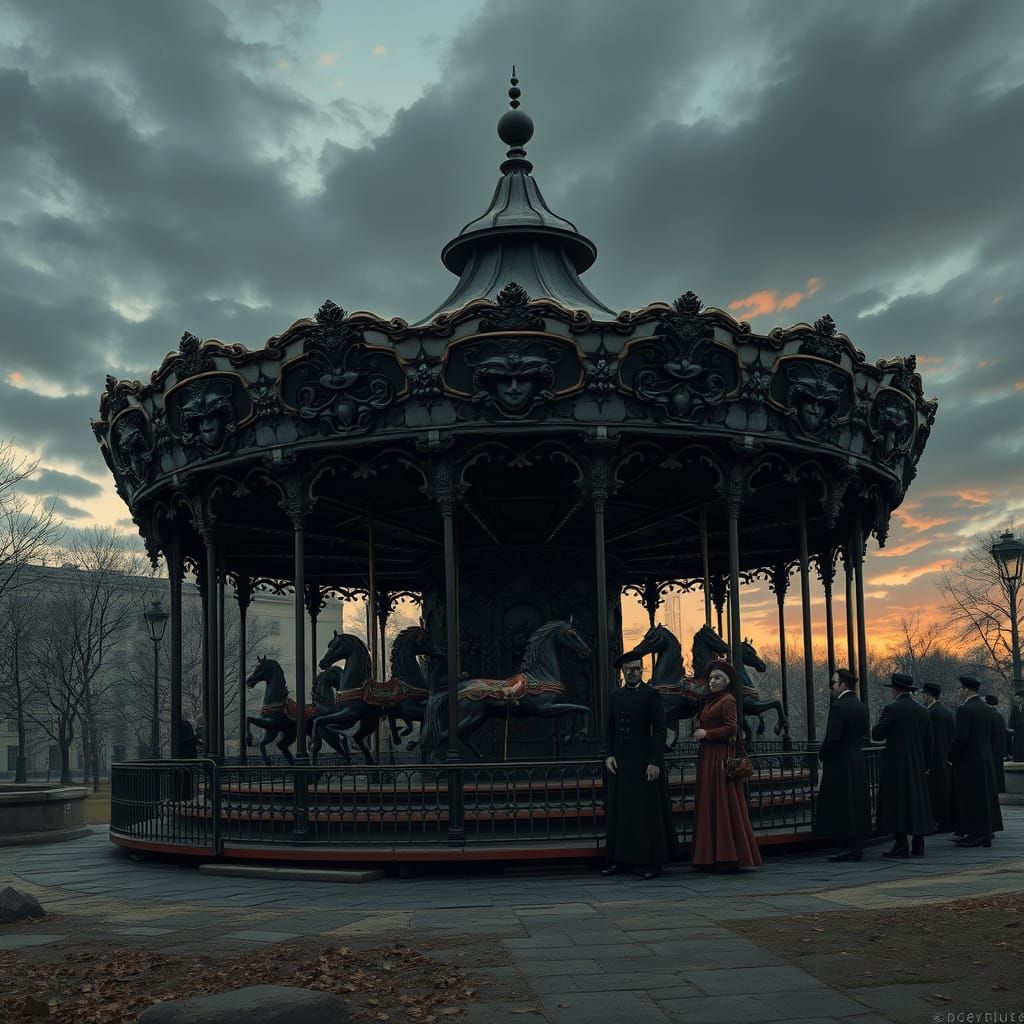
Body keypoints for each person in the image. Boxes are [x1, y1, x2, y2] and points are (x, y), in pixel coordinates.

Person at [602, 658, 679, 879]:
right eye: (629, 670)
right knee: (622, 811)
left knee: (646, 811)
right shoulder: (615, 695)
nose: (633, 673)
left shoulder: (651, 695)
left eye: (636, 669)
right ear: (623, 672)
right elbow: (609, 728)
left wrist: (655, 761)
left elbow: (660, 729)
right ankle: (621, 860)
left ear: (641, 670)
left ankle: (652, 862)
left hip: (644, 761)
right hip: (620, 763)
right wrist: (608, 755)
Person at [691, 660, 762, 871]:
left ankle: (727, 855)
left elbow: (732, 728)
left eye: (717, 678)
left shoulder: (728, 700)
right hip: (708, 755)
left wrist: (708, 734)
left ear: (726, 681)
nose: (712, 682)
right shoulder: (710, 701)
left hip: (719, 756)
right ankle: (710, 854)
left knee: (723, 801)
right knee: (710, 801)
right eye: (711, 678)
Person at [871, 672, 933, 857]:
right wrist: (926, 765)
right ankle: (918, 843)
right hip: (917, 764)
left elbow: (877, 734)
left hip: (896, 764)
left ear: (895, 690)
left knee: (897, 803)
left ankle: (900, 844)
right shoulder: (923, 710)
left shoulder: (892, 709)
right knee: (916, 802)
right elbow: (930, 741)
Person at [814, 668, 872, 862]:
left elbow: (833, 737)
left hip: (840, 761)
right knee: (855, 802)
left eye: (834, 682)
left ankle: (846, 846)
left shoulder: (839, 706)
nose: (832, 686)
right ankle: (856, 845)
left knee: (841, 803)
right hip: (856, 759)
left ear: (843, 684)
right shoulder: (860, 706)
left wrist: (822, 754)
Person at [948, 676, 1003, 847]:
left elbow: (961, 737)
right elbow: (994, 736)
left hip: (969, 761)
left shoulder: (965, 710)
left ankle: (975, 833)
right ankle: (986, 831)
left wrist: (950, 756)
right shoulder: (988, 710)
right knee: (984, 796)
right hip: (985, 758)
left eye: (961, 689)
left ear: (965, 690)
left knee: (970, 797)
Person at [921, 682, 955, 832]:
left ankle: (937, 823)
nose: (922, 697)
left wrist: (928, 763)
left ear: (929, 695)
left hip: (935, 760)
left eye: (924, 695)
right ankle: (946, 822)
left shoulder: (932, 713)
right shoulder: (946, 712)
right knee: (944, 792)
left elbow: (932, 740)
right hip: (946, 759)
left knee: (935, 794)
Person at [984, 695, 1008, 793]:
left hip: (992, 747)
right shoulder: (998, 715)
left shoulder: (989, 715)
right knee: (998, 769)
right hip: (999, 747)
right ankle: (1000, 787)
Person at [1011, 688, 1024, 763]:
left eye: (1017, 698)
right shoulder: (1014, 708)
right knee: (1017, 747)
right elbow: (1012, 720)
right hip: (1017, 732)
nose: (1015, 699)